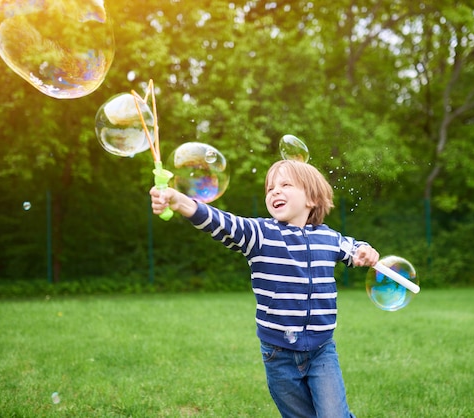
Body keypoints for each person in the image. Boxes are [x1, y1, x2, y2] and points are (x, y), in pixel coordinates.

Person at [149, 159, 379, 418]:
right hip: (278, 355)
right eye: (270, 188)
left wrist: (364, 251)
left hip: (321, 350)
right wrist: (180, 202)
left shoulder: (329, 238)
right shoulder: (260, 234)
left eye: (285, 184)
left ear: (311, 199)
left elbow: (354, 248)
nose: (274, 191)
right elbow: (223, 222)